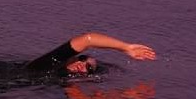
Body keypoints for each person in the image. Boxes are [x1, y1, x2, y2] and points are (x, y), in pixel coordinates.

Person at [25, 32, 156, 76]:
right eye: (82, 59)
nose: (82, 65)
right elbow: (88, 39)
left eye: (88, 68)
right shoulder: (50, 62)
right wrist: (126, 48)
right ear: (71, 58)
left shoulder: (65, 85)